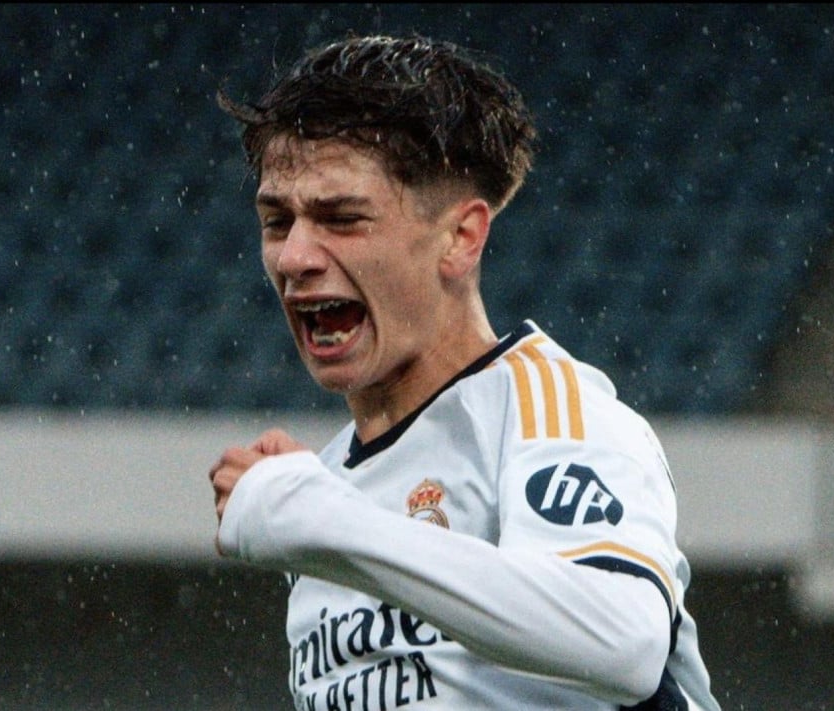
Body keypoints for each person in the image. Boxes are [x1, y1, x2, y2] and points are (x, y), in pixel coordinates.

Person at [208, 34, 720, 710]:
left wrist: (317, 517)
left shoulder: (543, 410)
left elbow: (622, 640)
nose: (294, 256)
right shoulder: (325, 487)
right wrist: (316, 511)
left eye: (342, 218)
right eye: (277, 221)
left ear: (461, 237)